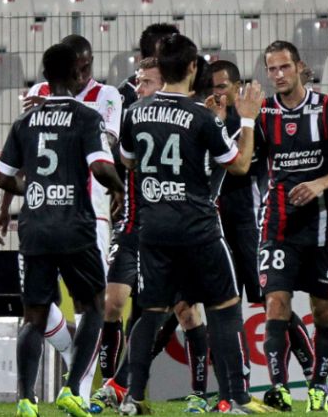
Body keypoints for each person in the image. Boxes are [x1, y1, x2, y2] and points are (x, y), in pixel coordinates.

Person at [118, 34, 273, 415]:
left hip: (154, 229)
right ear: (192, 67)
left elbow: (128, 161)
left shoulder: (135, 112)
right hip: (198, 228)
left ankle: (132, 398)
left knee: (150, 312)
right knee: (225, 306)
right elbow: (239, 165)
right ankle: (237, 398)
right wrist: (247, 118)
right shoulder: (200, 116)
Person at [0, 43, 125, 417]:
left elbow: (4, 177)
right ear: (75, 72)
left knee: (33, 315)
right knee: (93, 306)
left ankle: (26, 399)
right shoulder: (85, 117)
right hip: (79, 223)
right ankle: (73, 388)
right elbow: (101, 165)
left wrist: (32, 188)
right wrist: (119, 188)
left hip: (35, 224)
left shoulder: (26, 120)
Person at [90, 57, 212, 414]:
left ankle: (198, 393)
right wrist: (118, 188)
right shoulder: (132, 117)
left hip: (172, 232)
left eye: (146, 82)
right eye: (138, 81)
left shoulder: (187, 120)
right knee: (112, 302)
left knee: (186, 312)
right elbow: (113, 157)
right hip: (132, 229)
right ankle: (112, 386)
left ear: (166, 84)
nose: (137, 88)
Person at [255, 41, 328, 412]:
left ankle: (318, 385)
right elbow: (245, 160)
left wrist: (319, 184)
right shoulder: (263, 113)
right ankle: (279, 389)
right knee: (275, 303)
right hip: (278, 226)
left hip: (323, 226)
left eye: (284, 67)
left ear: (299, 67)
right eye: (272, 69)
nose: (278, 75)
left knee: (323, 312)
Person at [209, 60, 316, 392]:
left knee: (271, 301)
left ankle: (312, 370)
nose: (217, 93)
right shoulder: (207, 121)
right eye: (212, 88)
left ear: (237, 87)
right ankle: (233, 389)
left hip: (250, 225)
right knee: (225, 308)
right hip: (215, 227)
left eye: (222, 87)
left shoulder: (255, 120)